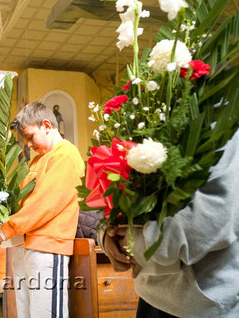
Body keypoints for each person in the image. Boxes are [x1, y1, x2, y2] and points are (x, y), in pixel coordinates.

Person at [100, 129, 239, 317]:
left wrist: (136, 244)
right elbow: (118, 188)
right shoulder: (149, 107)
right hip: (150, 293)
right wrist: (107, 232)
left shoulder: (226, 112)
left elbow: (215, 215)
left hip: (201, 304)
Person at [0, 101, 85, 317]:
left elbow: (44, 204)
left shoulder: (65, 155)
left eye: (30, 137)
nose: (28, 145)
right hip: (25, 246)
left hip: (48, 248)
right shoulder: (38, 161)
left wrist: (6, 229)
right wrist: (0, 224)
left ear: (47, 126)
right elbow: (22, 203)